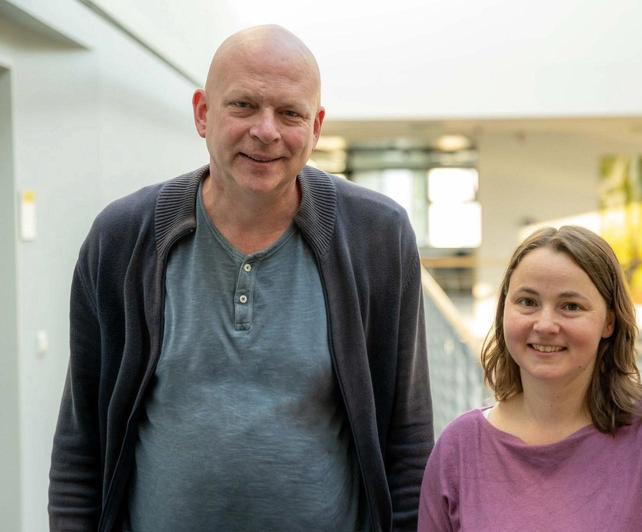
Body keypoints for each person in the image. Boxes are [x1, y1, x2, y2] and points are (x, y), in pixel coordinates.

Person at [49, 25, 433, 532]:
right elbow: (81, 446)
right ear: (203, 113)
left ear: (316, 127)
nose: (267, 131)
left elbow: (407, 441)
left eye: (290, 113)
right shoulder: (122, 238)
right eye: (244, 106)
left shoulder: (376, 237)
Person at [418, 226, 642, 531]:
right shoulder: (458, 449)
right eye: (527, 302)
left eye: (571, 307)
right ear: (504, 310)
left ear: (609, 322)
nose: (546, 324)